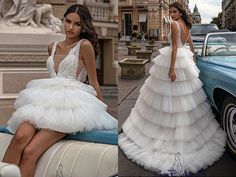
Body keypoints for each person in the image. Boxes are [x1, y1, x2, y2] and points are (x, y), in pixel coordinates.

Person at [2, 4, 117, 177]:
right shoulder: (52, 46)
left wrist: (101, 110)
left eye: (77, 24)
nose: (71, 27)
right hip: (44, 100)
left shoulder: (84, 45)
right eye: (68, 21)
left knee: (30, 152)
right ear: (63, 21)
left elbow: (94, 82)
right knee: (19, 137)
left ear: (83, 26)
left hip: (69, 106)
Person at [118, 2, 226, 176]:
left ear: (181, 12)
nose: (172, 13)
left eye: (174, 11)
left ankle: (171, 131)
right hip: (185, 59)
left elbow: (175, 47)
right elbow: (189, 42)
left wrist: (171, 68)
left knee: (167, 96)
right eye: (170, 11)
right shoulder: (187, 25)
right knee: (184, 97)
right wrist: (192, 57)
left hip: (176, 59)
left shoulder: (176, 24)